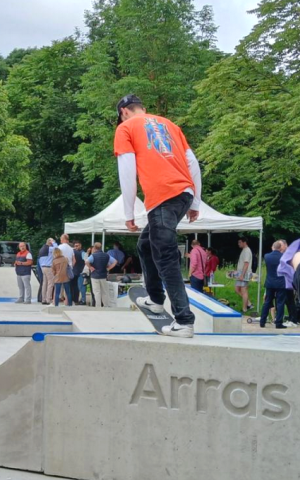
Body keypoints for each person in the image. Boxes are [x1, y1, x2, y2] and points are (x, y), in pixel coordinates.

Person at [115, 94, 202, 338]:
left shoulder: (126, 128)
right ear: (141, 108)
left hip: (162, 196)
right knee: (145, 245)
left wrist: (129, 212)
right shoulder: (171, 125)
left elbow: (127, 169)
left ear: (124, 112)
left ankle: (184, 321)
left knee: (164, 255)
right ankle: (155, 298)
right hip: (183, 194)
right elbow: (192, 163)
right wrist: (195, 202)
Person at [258, 240, 289, 329]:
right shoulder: (284, 257)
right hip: (281, 283)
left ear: (273, 247)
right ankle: (278, 323)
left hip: (270, 282)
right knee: (280, 303)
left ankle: (262, 321)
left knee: (267, 302)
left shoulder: (267, 256)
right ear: (280, 248)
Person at [234, 238, 254, 314]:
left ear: (244, 242)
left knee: (244, 290)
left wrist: (242, 275)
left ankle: (244, 308)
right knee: (237, 289)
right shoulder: (244, 250)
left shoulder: (247, 251)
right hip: (240, 273)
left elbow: (246, 263)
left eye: (240, 242)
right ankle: (249, 303)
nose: (238, 244)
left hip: (245, 274)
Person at [36, 238, 53, 304]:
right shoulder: (50, 249)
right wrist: (53, 242)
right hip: (48, 267)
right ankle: (48, 299)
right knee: (50, 283)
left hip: (43, 267)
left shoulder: (42, 249)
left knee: (44, 283)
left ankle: (43, 299)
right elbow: (57, 248)